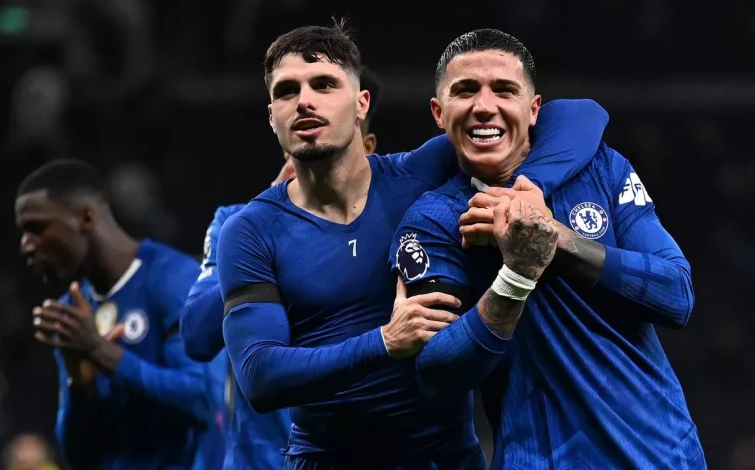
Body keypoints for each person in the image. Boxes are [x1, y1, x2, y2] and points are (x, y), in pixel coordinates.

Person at [217, 20, 608, 469]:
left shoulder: (419, 173)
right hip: (327, 459)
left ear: (362, 103)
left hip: (444, 458)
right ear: (272, 116)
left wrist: (528, 188)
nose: (305, 100)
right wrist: (385, 341)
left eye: (324, 84)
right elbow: (259, 377)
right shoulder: (250, 231)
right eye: (287, 91)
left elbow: (582, 115)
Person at [390, 28, 705, 469]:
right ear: (439, 113)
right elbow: (438, 373)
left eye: (504, 90)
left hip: (663, 455)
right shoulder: (434, 221)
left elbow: (676, 296)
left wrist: (556, 240)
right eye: (466, 91)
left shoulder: (601, 167)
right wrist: (516, 278)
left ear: (534, 109)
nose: (485, 106)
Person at [180, 64, 384, 470]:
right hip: (260, 461)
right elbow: (197, 337)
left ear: (368, 145)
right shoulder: (237, 224)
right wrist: (263, 230)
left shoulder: (398, 220)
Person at [15, 160, 222, 470]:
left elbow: (203, 402)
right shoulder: (74, 310)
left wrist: (101, 351)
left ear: (86, 218)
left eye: (36, 228)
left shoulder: (175, 280)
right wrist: (80, 387)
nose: (26, 246)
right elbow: (79, 457)